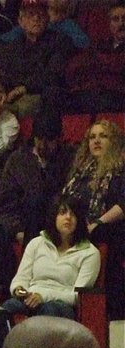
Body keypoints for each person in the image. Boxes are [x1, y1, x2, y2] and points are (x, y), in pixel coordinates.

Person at [60, 118, 125, 319]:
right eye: (92, 137)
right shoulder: (79, 173)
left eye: (103, 136)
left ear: (114, 141)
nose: (96, 141)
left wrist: (97, 222)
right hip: (77, 226)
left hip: (108, 228)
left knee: (104, 232)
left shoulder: (120, 170)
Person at [5, 197, 100, 320]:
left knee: (49, 309)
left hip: (62, 304)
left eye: (73, 214)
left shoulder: (90, 252)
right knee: (8, 307)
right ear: (54, 217)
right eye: (62, 213)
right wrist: (19, 290)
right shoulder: (37, 243)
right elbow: (21, 278)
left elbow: (78, 296)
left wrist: (42, 296)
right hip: (31, 297)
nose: (68, 217)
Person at [0, 109, 74, 244]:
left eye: (49, 140)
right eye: (39, 139)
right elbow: (5, 205)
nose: (43, 145)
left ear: (59, 138)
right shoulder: (17, 160)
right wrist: (18, 231)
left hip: (58, 224)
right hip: (24, 227)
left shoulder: (68, 159)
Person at [0, 0, 75, 118]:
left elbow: (52, 75)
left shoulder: (60, 41)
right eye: (30, 14)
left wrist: (24, 88)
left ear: (47, 19)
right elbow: (4, 74)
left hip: (40, 94)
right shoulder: (12, 47)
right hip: (13, 93)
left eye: (40, 14)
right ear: (21, 21)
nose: (36, 18)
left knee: (31, 102)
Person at [64, 1, 125, 115]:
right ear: (109, 24)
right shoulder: (99, 45)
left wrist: (99, 62)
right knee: (56, 95)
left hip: (118, 94)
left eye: (124, 18)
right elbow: (81, 64)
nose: (121, 23)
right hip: (92, 92)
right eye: (116, 19)